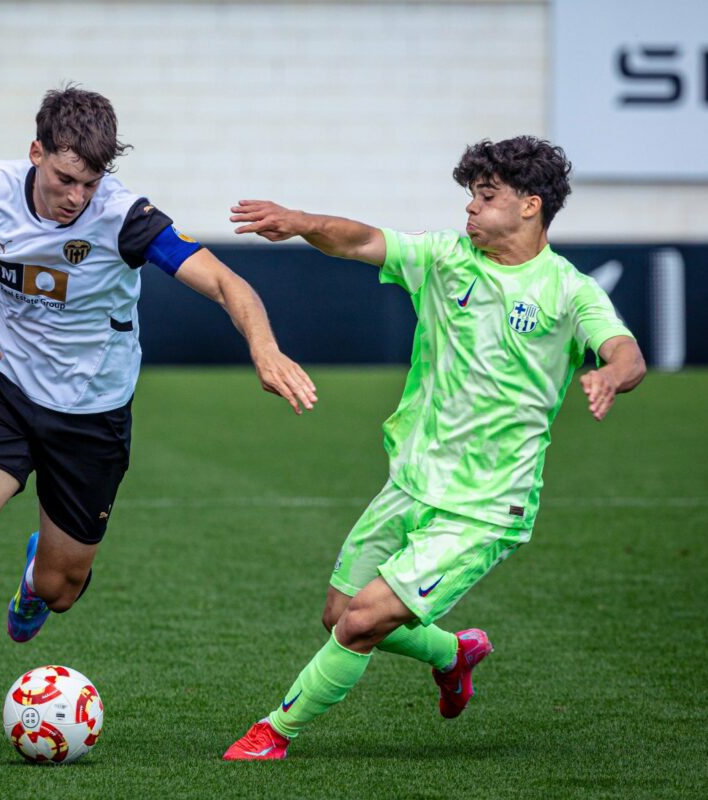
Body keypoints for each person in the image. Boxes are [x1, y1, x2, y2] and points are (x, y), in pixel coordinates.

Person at [0, 85, 317, 761]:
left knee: (60, 591)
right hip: (6, 393)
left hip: (93, 418)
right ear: (36, 152)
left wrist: (264, 348)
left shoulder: (126, 218)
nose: (77, 197)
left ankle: (40, 576)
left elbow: (224, 282)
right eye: (66, 179)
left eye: (90, 182)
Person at [222, 136, 646, 760]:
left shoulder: (569, 290)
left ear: (531, 206)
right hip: (412, 480)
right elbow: (362, 239)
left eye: (486, 196)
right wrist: (299, 221)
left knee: (361, 623)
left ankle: (273, 733)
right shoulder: (447, 258)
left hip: (485, 505)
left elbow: (625, 350)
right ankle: (454, 652)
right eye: (471, 196)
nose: (470, 210)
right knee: (337, 612)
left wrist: (612, 373)